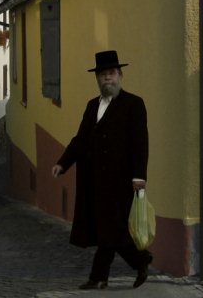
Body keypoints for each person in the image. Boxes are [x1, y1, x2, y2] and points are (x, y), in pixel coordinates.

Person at [51, 50, 152, 290]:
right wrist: (62, 163)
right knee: (107, 230)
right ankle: (101, 277)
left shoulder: (134, 104)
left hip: (121, 181)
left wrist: (139, 176)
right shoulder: (91, 105)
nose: (107, 78)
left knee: (114, 229)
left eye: (111, 73)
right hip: (93, 180)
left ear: (120, 75)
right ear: (97, 79)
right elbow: (80, 140)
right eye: (103, 74)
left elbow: (140, 142)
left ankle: (137, 262)